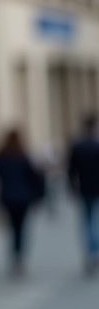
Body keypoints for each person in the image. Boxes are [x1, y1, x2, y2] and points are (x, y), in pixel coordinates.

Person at [0, 128, 44, 276]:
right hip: (23, 198)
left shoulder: (1, 155)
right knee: (21, 227)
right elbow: (33, 175)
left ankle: (14, 254)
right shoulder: (23, 155)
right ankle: (19, 255)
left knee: (12, 227)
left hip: (8, 197)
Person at [67, 114, 99, 275]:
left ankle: (90, 252)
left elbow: (71, 170)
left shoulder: (77, 145)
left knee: (87, 221)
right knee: (95, 221)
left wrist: (71, 188)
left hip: (84, 188)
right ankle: (94, 250)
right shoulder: (96, 144)